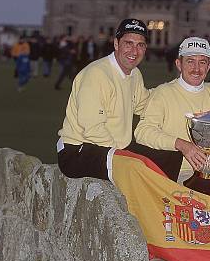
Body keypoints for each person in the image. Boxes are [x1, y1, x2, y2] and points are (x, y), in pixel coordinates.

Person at [134, 36, 210, 183]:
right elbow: (143, 132)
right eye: (190, 61)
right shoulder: (163, 93)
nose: (196, 69)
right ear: (179, 64)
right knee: (202, 196)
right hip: (182, 172)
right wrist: (181, 145)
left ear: (209, 66)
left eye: (202, 62)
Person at [56, 19, 152, 180]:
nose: (134, 51)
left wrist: (174, 95)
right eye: (128, 43)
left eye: (140, 45)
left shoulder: (135, 74)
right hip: (78, 150)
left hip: (112, 147)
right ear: (116, 44)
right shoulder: (96, 74)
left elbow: (145, 105)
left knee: (165, 156)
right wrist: (123, 155)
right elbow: (93, 129)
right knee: (137, 170)